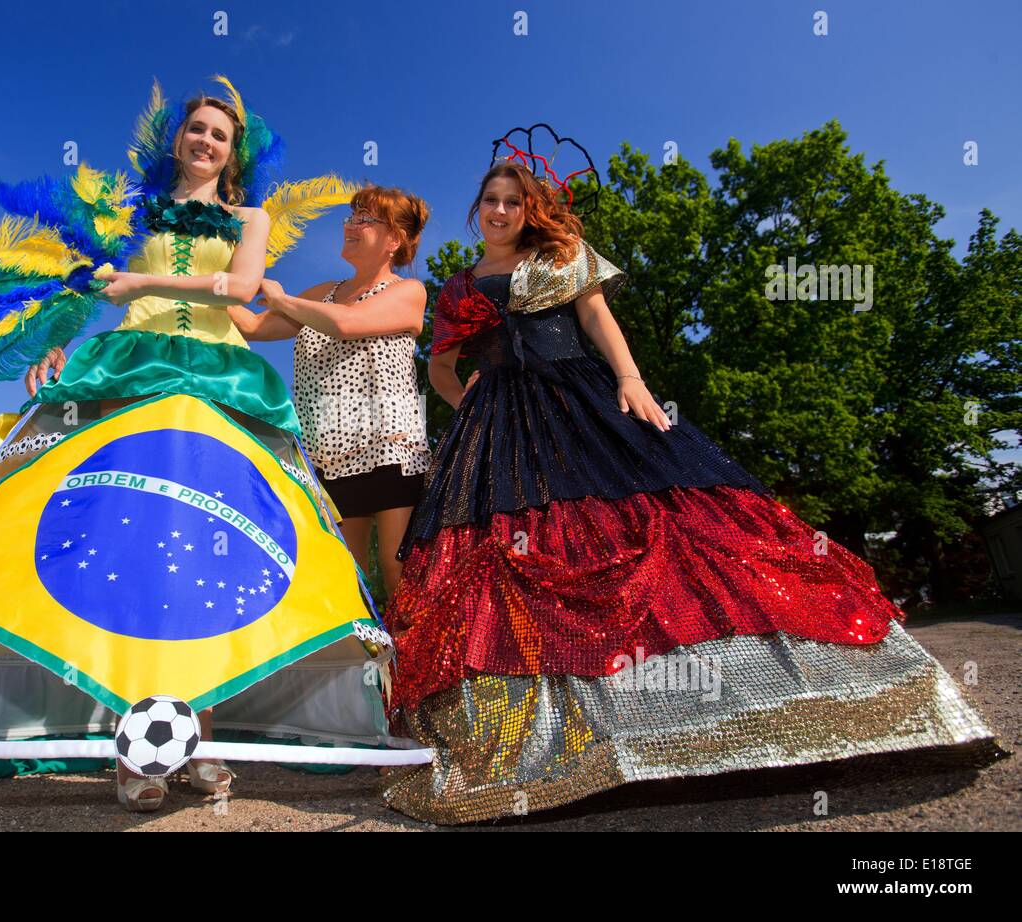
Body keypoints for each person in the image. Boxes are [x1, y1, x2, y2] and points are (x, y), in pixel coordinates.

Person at [379, 152, 994, 824]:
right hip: (501, 425)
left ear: (529, 210)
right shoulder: (461, 288)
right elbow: (440, 367)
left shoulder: (563, 256)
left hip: (579, 403)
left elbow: (597, 322)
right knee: (505, 563)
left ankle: (759, 715)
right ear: (477, 210)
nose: (499, 211)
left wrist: (632, 380)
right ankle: (549, 752)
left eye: (511, 201)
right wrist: (467, 397)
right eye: (490, 200)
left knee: (678, 526)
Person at [228, 186, 432, 596]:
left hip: (391, 450)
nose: (350, 225)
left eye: (365, 219)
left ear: (394, 239)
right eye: (351, 217)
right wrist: (221, 277)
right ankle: (372, 663)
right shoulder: (319, 294)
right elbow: (251, 327)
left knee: (400, 577)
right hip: (326, 455)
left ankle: (413, 661)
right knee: (346, 583)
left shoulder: (408, 292)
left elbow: (346, 323)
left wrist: (282, 298)